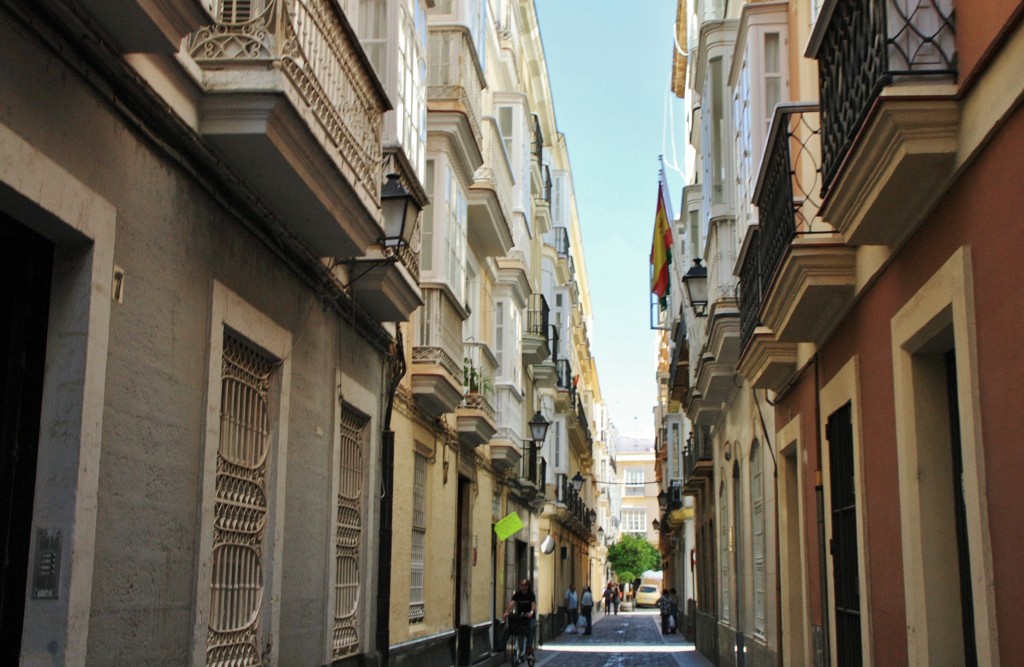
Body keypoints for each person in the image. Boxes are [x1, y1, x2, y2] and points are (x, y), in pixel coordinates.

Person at [496, 579, 537, 654]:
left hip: (529, 617)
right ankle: (501, 646)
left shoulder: (531, 594)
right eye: (520, 585)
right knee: (509, 629)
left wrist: (531, 612)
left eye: (523, 585)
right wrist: (506, 611)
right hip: (520, 616)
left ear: (527, 586)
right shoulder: (517, 594)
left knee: (531, 627)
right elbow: (512, 602)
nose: (521, 587)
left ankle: (529, 647)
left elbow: (533, 604)